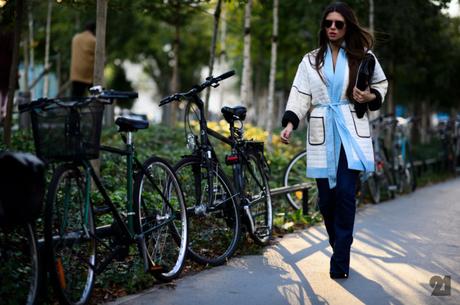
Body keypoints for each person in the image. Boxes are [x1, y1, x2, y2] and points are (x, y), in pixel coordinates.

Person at [280, 2, 388, 279]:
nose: (332, 28)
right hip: (322, 132)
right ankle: (339, 242)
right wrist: (291, 124)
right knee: (326, 200)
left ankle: (340, 258)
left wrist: (369, 97)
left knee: (344, 194)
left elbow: (381, 86)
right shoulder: (311, 60)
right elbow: (300, 94)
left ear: (347, 26)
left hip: (351, 132)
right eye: (328, 23)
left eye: (339, 24)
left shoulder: (364, 57)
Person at [70, 22, 96, 97]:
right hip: (89, 74)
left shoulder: (76, 38)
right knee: (97, 96)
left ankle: (73, 108)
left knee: (75, 99)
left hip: (76, 73)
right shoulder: (94, 40)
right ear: (94, 30)